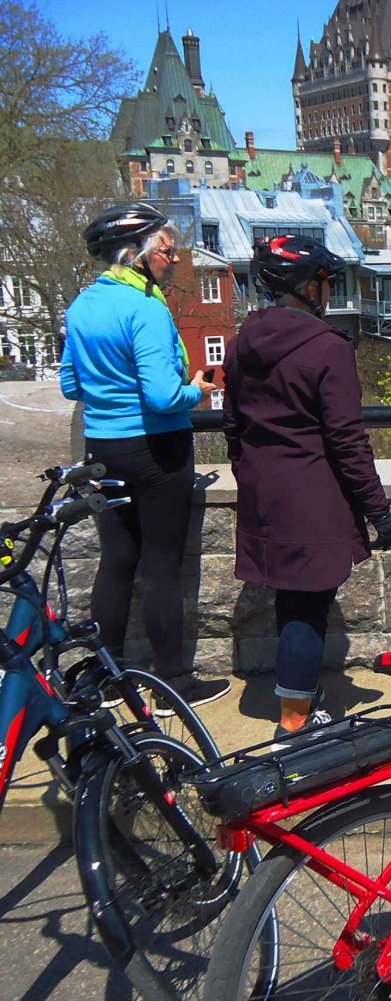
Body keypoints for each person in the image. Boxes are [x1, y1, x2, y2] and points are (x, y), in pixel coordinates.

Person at [222, 235, 391, 740]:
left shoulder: (242, 341)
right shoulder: (326, 348)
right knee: (307, 609)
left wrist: (251, 472)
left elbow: (233, 424)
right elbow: (347, 440)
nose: (329, 289)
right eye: (325, 280)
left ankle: (297, 695)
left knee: (290, 600)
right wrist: (376, 509)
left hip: (263, 493)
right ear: (307, 287)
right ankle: (294, 722)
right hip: (312, 497)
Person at [61, 202, 229, 710]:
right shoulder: (147, 309)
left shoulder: (82, 304)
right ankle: (174, 679)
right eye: (165, 247)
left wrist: (111, 393)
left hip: (102, 448)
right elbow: (160, 396)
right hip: (156, 449)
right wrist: (196, 392)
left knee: (116, 561)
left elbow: (72, 384)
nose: (173, 258)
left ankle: (108, 677)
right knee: (160, 567)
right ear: (134, 253)